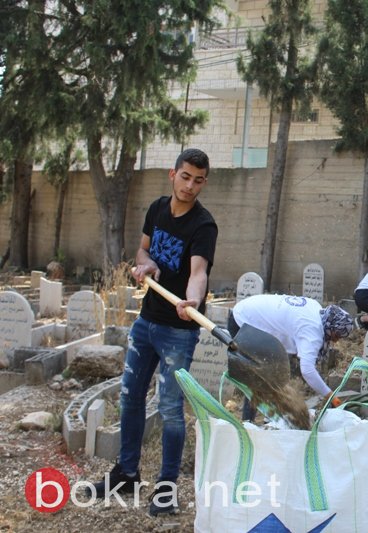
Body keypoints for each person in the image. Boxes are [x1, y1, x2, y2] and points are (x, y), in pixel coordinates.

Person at [88, 149, 218, 516]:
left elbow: (198, 273)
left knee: (171, 410)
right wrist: (144, 266)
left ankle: (166, 489)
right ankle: (126, 474)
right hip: (146, 323)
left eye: (198, 180)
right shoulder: (157, 209)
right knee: (130, 397)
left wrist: (192, 301)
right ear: (172, 173)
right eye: (185, 176)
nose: (190, 185)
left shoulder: (203, 225)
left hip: (179, 329)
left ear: (204, 182)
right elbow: (143, 251)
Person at [229, 294, 354, 421]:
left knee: (271, 371)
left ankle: (273, 416)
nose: (336, 340)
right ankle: (248, 422)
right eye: (337, 335)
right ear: (331, 326)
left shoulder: (316, 309)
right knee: (259, 377)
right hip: (244, 321)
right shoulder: (312, 332)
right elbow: (308, 371)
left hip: (250, 308)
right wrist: (330, 395)